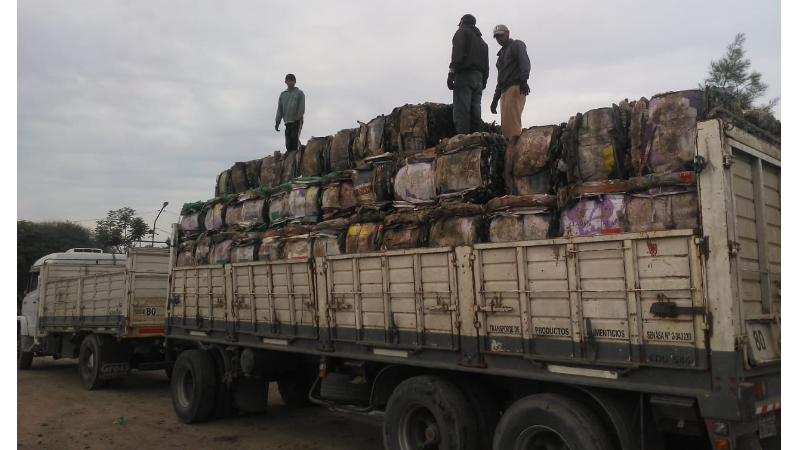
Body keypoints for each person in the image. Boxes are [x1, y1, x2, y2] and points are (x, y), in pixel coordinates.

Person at [448, 14, 489, 135]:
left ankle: (464, 143)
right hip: (479, 79)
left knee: (462, 111)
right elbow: (487, 65)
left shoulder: (462, 33)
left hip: (465, 76)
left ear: (462, 22)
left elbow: (457, 54)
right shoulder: (483, 43)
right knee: (476, 111)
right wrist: (484, 82)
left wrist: (451, 73)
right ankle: (477, 141)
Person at [490, 24, 531, 140]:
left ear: (508, 33)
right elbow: (500, 79)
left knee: (513, 126)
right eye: (496, 37)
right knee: (506, 127)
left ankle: (514, 153)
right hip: (504, 91)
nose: (499, 39)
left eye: (501, 35)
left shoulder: (516, 44)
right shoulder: (500, 56)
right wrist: (495, 98)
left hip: (515, 86)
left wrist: (524, 80)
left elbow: (525, 62)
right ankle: (509, 152)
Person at [275, 73, 306, 152]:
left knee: (294, 138)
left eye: (293, 81)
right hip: (287, 121)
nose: (291, 82)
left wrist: (298, 119)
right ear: (286, 82)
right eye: (289, 81)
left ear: (295, 82)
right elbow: (280, 109)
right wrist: (277, 122)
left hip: (297, 121)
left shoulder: (299, 93)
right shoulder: (283, 95)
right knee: (288, 142)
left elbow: (301, 107)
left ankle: (297, 153)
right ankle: (289, 156)